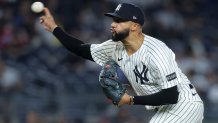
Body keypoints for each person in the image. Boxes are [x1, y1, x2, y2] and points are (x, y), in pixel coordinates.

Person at [40, 3, 204, 123]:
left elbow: (171, 95)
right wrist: (55, 28)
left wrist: (130, 100)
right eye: (113, 20)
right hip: (165, 109)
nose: (112, 24)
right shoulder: (115, 47)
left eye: (119, 21)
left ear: (134, 26)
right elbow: (81, 49)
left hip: (185, 104)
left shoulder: (156, 51)